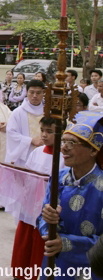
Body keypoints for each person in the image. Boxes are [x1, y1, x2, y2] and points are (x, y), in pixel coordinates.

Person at [38, 111, 103, 279]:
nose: (64, 147)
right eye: (64, 141)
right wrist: (47, 222)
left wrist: (67, 244)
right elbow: (42, 219)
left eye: (72, 143)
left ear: (93, 150)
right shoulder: (59, 177)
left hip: (91, 269)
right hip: (55, 264)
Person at [10, 117, 64, 280]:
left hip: (46, 211)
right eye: (42, 130)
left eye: (49, 131)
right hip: (30, 207)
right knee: (24, 244)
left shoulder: (63, 158)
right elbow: (27, 178)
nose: (44, 135)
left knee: (39, 248)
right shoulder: (36, 152)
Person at [6, 79, 46, 167]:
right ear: (26, 93)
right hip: (25, 157)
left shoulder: (47, 112)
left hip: (44, 155)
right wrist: (30, 140)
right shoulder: (18, 112)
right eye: (32, 92)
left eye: (38, 93)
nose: (35, 96)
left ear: (43, 93)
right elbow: (11, 133)